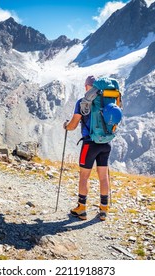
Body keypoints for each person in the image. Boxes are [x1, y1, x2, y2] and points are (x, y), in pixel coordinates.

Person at [63, 75, 111, 221]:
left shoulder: (83, 102)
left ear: (87, 87)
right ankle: (103, 210)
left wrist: (66, 126)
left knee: (84, 177)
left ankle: (81, 209)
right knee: (103, 177)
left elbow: (73, 125)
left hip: (89, 144)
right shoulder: (106, 102)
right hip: (106, 143)